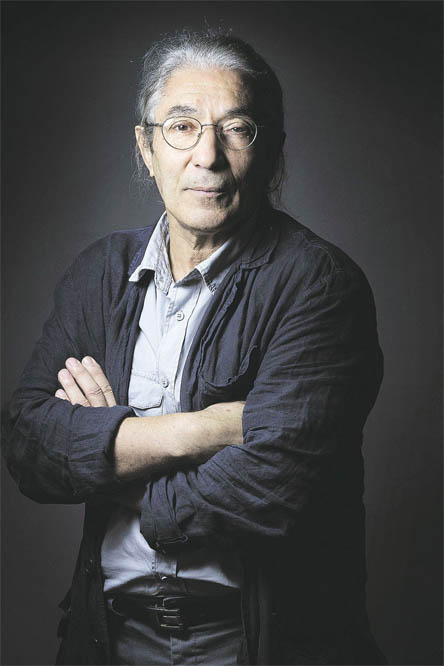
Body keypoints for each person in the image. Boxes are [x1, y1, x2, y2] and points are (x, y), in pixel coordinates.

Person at [5, 30, 387, 666]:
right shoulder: (101, 273)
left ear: (272, 150)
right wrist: (203, 431)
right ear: (146, 147)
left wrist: (103, 456)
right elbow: (28, 446)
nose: (207, 155)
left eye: (236, 129)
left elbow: (268, 495)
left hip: (258, 646)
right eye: (182, 127)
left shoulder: (319, 284)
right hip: (106, 639)